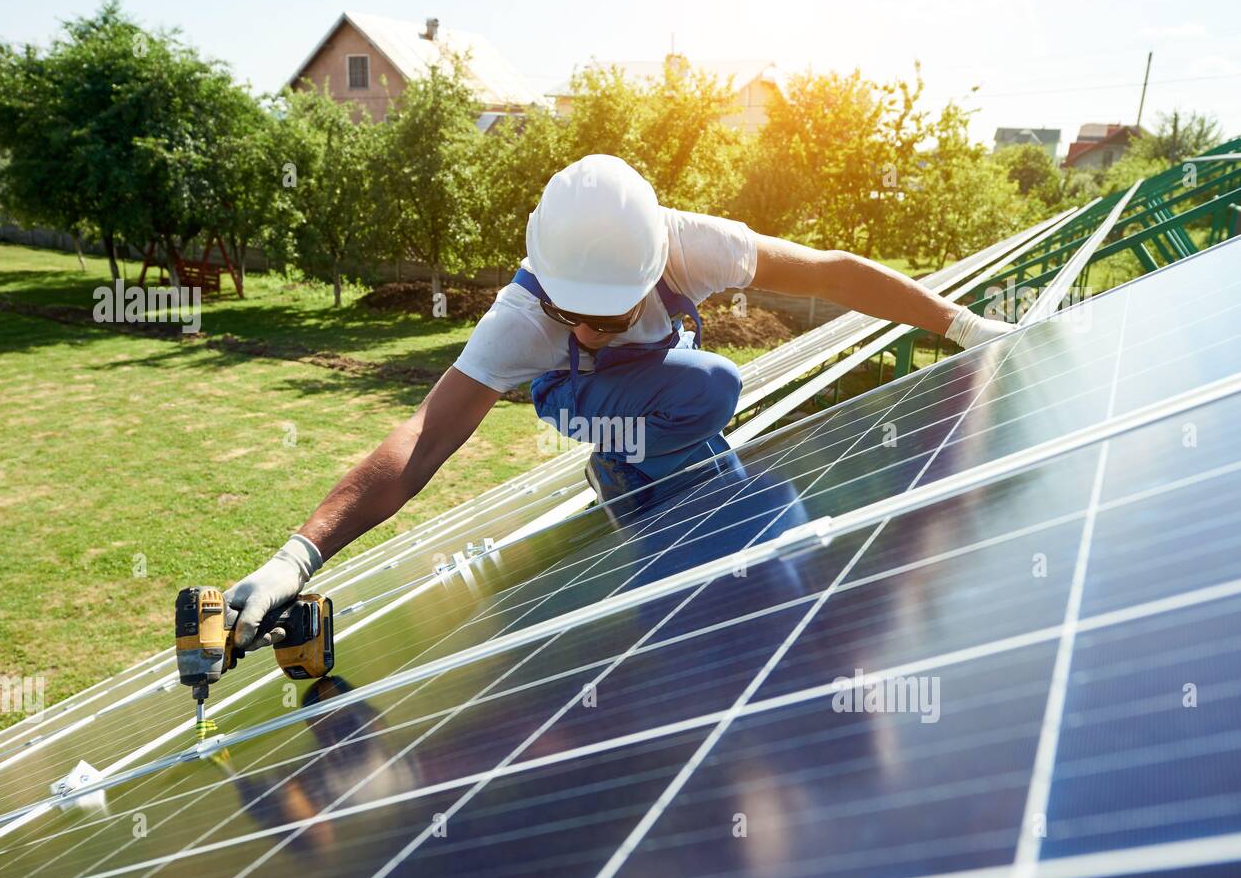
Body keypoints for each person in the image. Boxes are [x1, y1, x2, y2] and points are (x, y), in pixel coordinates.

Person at [225, 153, 1012, 650]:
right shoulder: (524, 321)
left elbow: (831, 271)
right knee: (710, 387)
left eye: (611, 314)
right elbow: (420, 442)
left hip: (647, 398)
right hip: (572, 401)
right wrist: (296, 557)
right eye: (576, 317)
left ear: (652, 265)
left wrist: (959, 324)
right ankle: (627, 469)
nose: (593, 331)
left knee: (719, 433)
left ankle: (648, 483)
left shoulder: (695, 244)